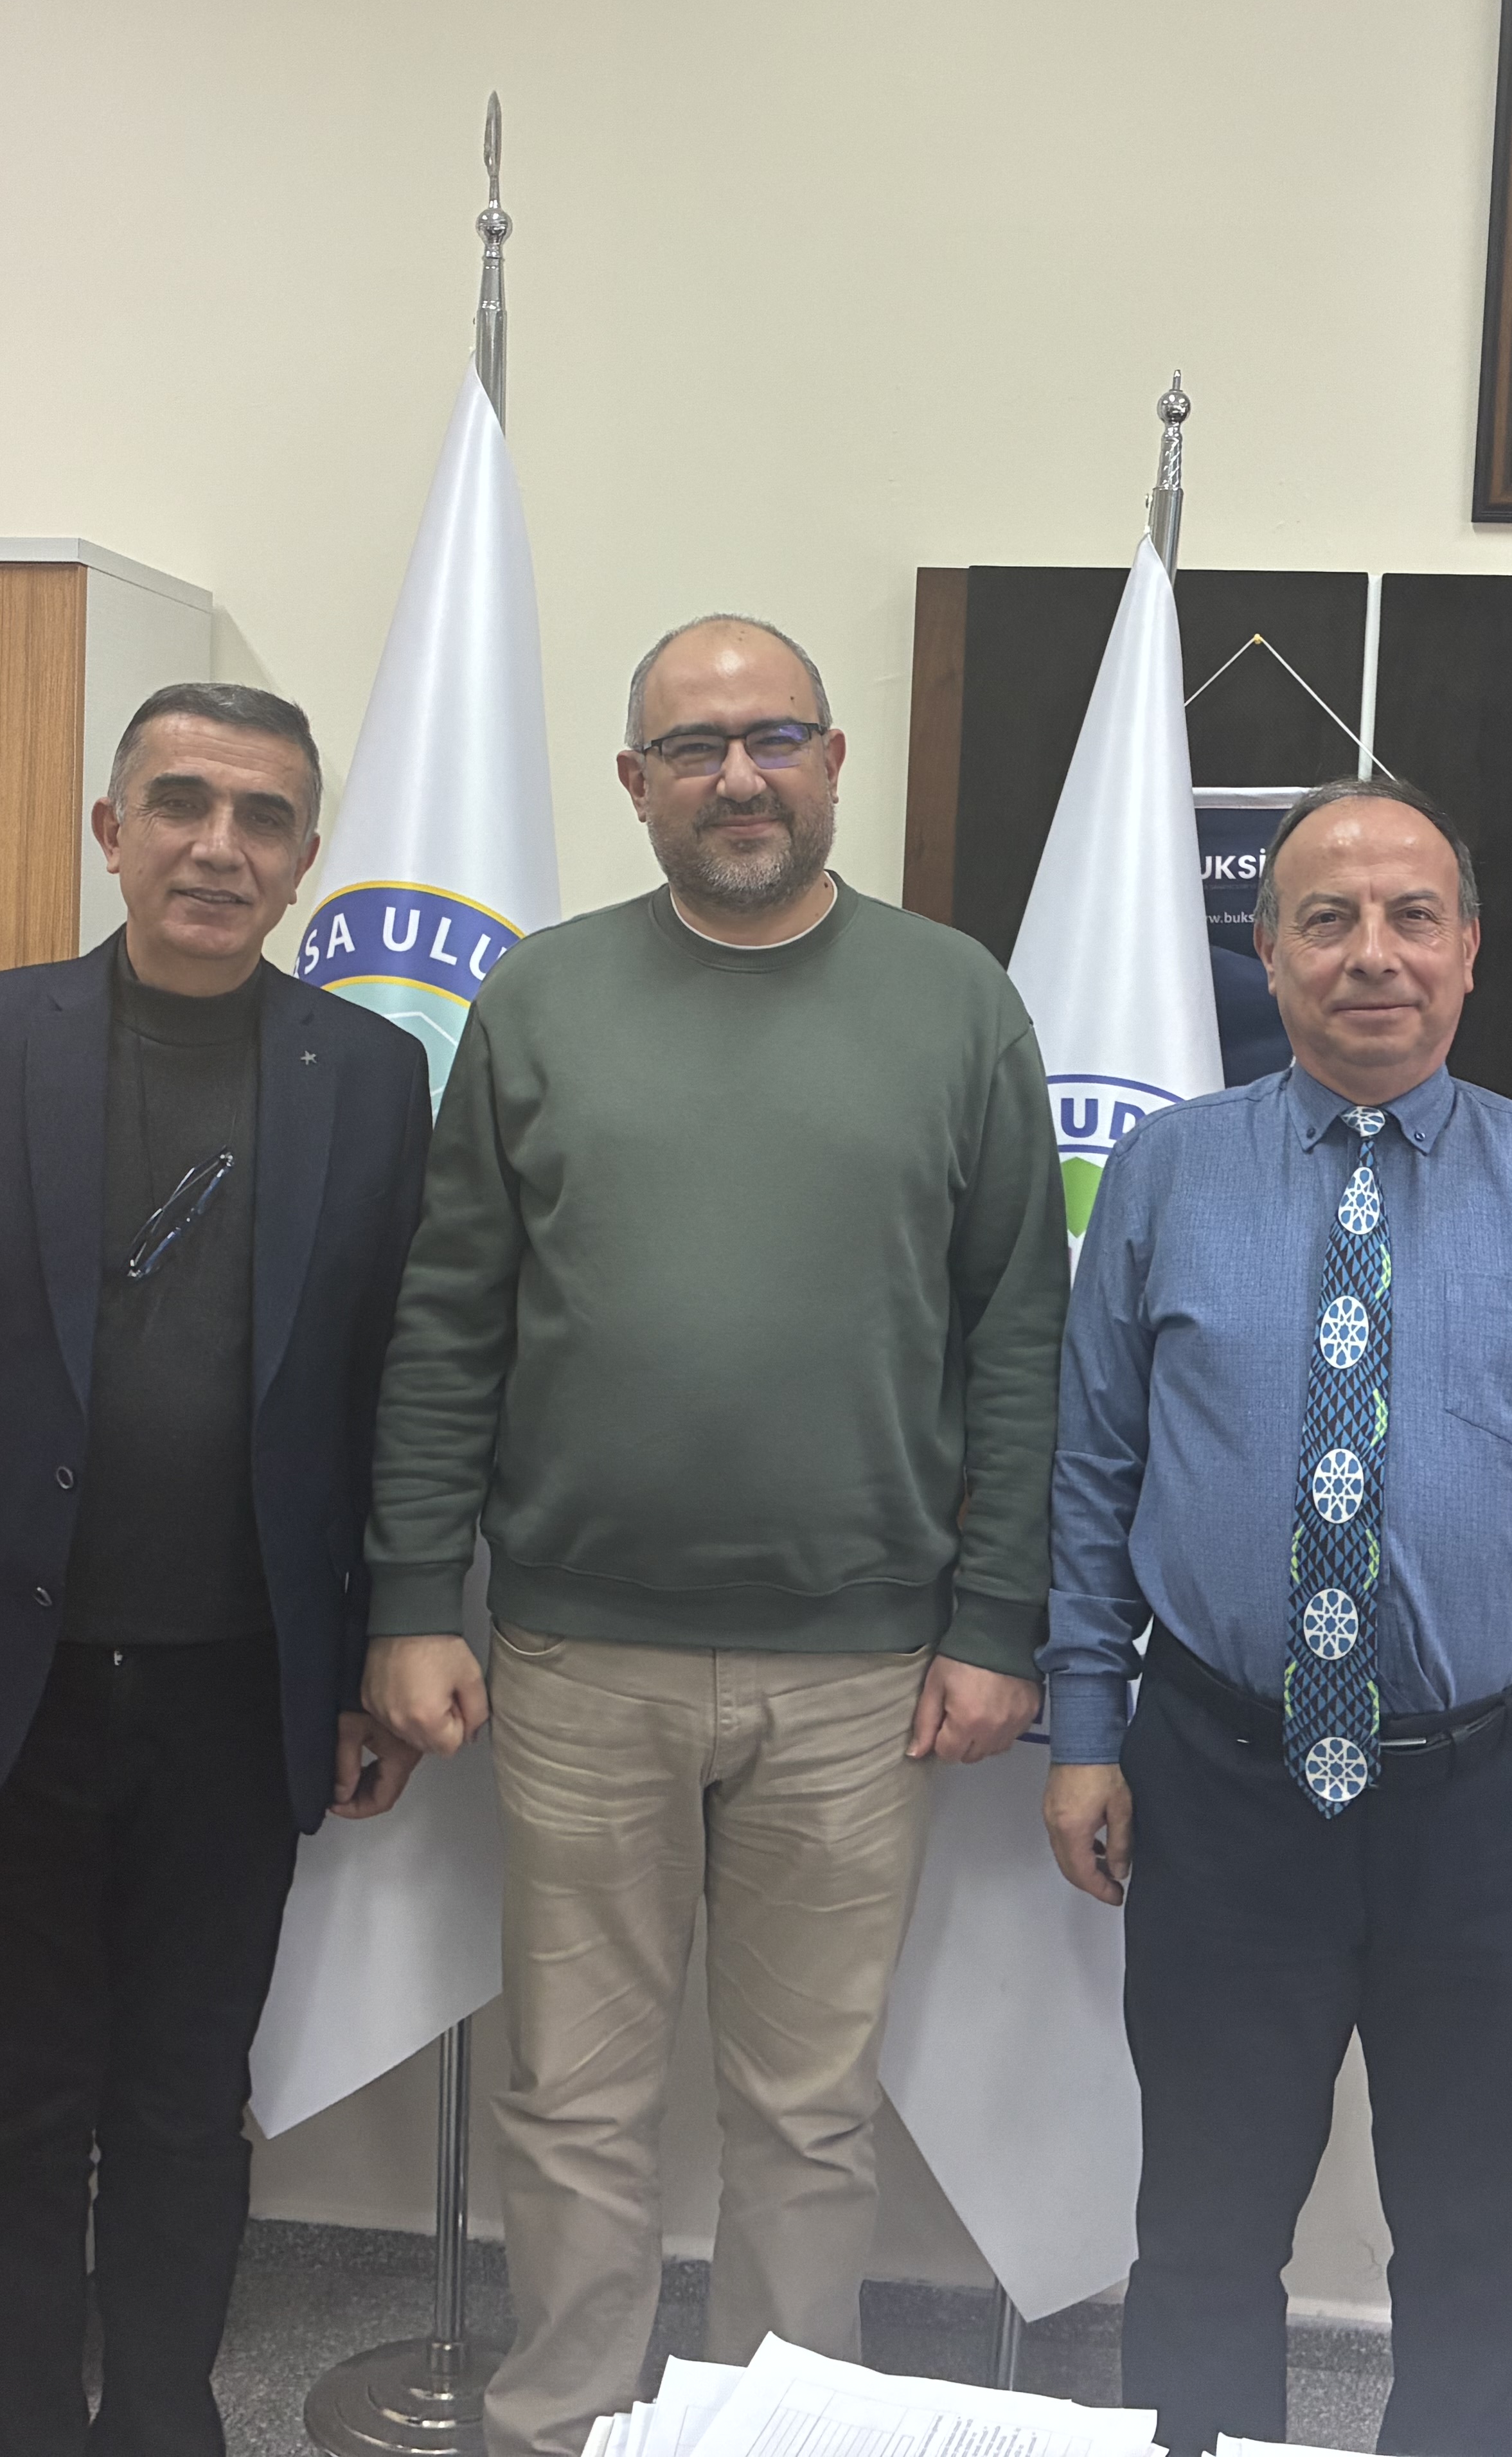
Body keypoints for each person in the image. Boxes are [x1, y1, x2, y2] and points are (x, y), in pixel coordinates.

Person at [361, 616, 1071, 2457]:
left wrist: (1001, 1617)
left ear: (833, 761)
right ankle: (558, 2429)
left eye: (773, 738)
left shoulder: (956, 1001)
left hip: (866, 1669)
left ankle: (779, 2435)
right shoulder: (542, 1002)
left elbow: (1019, 1333)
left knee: (807, 2111)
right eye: (693, 747)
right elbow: (449, 1318)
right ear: (635, 783)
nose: (737, 776)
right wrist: (415, 1597)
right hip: (575, 1654)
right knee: (572, 2098)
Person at [0, 681, 434, 2457]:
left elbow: (393, 1386)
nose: (219, 846)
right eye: (182, 803)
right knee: (8, 2114)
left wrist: (370, 1658)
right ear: (113, 830)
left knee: (183, 2110)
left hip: (242, 1691)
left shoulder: (372, 1079)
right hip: (0, 1690)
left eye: (263, 818)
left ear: (306, 858)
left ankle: (160, 2426)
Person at [1040, 776, 1512, 2457]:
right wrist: (1083, 1727)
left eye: (1414, 916)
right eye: (1328, 919)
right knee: (1205, 2236)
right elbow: (1094, 1472)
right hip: (1220, 1784)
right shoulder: (1165, 1179)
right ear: (1268, 953)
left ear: (1470, 949)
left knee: (1486, 2255)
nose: (1374, 954)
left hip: (1499, 1800)